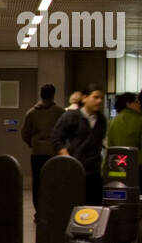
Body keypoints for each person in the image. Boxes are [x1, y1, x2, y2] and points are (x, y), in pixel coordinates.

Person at [51, 86, 107, 205]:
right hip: (76, 170)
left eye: (101, 98)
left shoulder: (101, 120)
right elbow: (56, 137)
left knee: (94, 207)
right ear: (85, 98)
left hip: (94, 171)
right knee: (76, 205)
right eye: (95, 97)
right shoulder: (72, 116)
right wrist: (67, 157)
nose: (99, 101)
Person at [21, 83, 62, 215]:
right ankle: (52, 209)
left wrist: (33, 144)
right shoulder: (60, 113)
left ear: (41, 94)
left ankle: (39, 211)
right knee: (53, 182)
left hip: (37, 152)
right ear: (53, 95)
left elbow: (25, 133)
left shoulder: (31, 113)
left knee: (37, 182)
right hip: (54, 153)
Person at [105, 91, 142, 194]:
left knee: (122, 194)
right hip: (138, 165)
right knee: (139, 195)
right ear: (128, 104)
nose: (139, 104)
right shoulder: (140, 120)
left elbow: (109, 148)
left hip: (118, 166)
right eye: (136, 102)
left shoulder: (112, 122)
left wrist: (104, 171)